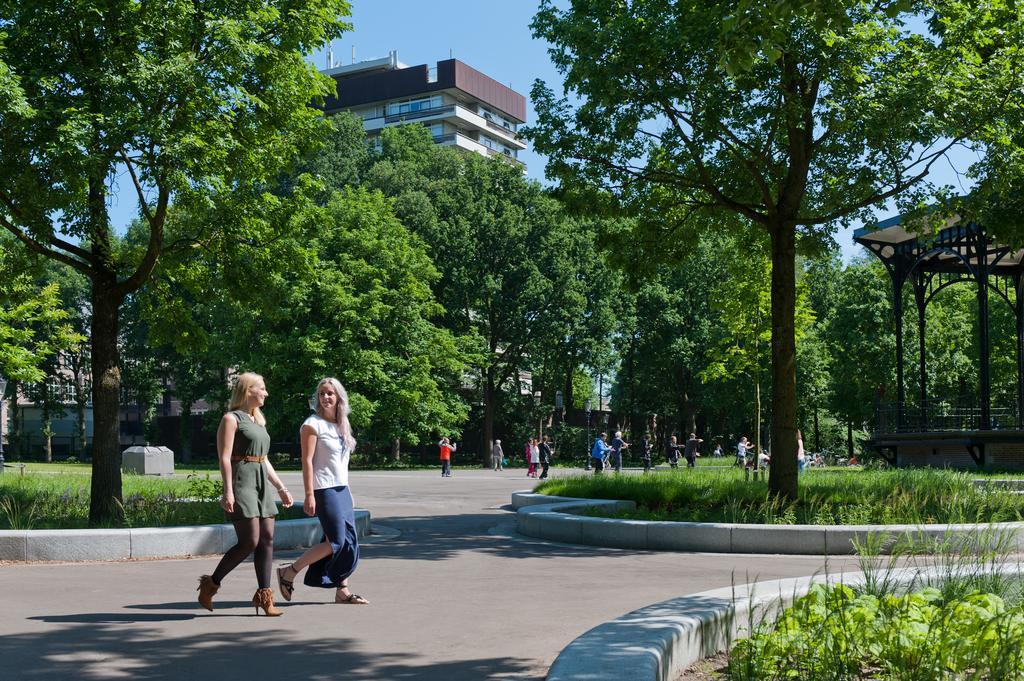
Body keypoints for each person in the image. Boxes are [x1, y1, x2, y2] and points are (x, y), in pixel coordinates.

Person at [198, 372, 293, 616]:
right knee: (249, 541)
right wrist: (227, 490)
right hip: (242, 483)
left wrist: (281, 488)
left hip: (261, 485)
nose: (266, 393)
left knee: (267, 540)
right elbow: (224, 457)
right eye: (262, 388)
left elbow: (264, 459)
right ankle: (211, 584)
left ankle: (265, 597)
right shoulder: (231, 419)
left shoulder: (258, 420)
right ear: (248, 390)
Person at [276, 377, 368, 606]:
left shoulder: (341, 425)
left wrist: (348, 491)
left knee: (349, 542)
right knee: (336, 541)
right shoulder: (311, 424)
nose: (326, 397)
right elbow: (307, 462)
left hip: (341, 490)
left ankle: (342, 591)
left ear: (339, 397)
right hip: (324, 489)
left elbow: (340, 464)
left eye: (330, 393)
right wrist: (309, 494)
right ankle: (290, 571)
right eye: (322, 394)